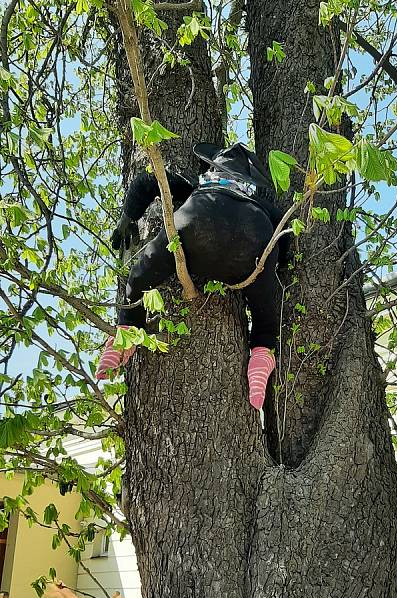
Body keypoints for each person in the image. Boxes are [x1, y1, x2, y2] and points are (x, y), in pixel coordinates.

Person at [96, 142, 291, 410]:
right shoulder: (259, 201)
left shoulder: (201, 186)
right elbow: (286, 232)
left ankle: (127, 328)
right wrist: (278, 264)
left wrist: (127, 219)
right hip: (253, 236)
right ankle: (261, 353)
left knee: (142, 272)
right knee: (263, 308)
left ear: (213, 167)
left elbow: (146, 182)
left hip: (196, 221)